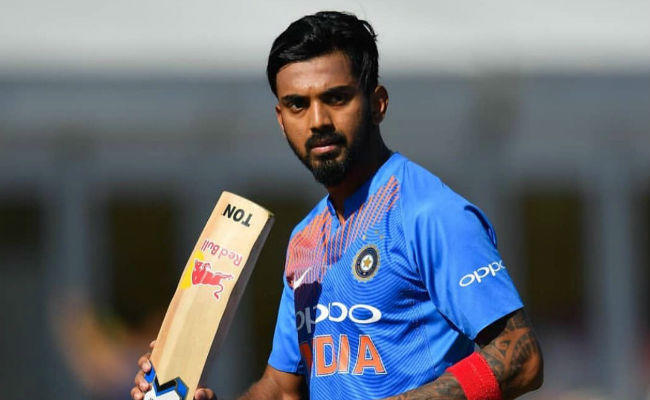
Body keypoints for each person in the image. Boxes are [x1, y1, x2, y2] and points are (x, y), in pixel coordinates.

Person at [131, 11, 543, 400]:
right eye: (298, 104)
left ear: (378, 103)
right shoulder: (305, 238)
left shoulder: (430, 213)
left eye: (336, 98)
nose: (318, 121)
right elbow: (282, 387)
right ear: (280, 118)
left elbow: (520, 357)